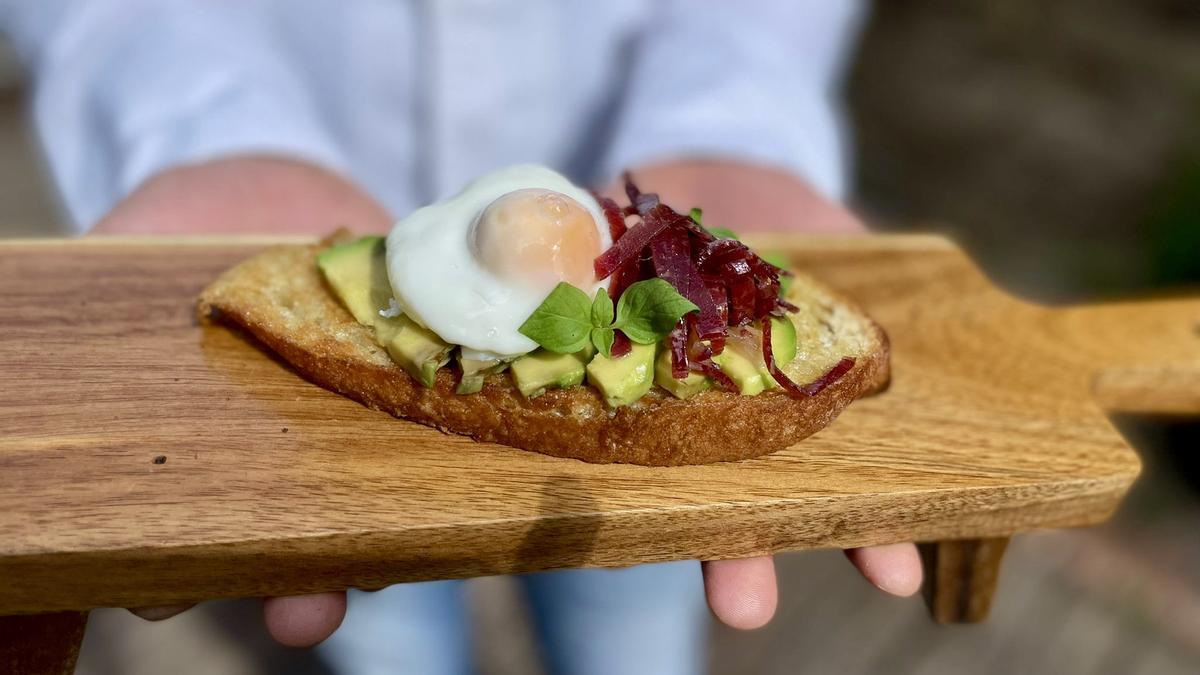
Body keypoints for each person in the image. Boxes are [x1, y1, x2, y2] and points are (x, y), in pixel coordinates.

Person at [0, 1, 923, 673]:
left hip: (625, 204)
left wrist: (732, 125)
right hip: (342, 428)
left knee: (633, 621)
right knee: (383, 625)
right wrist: (204, 126)